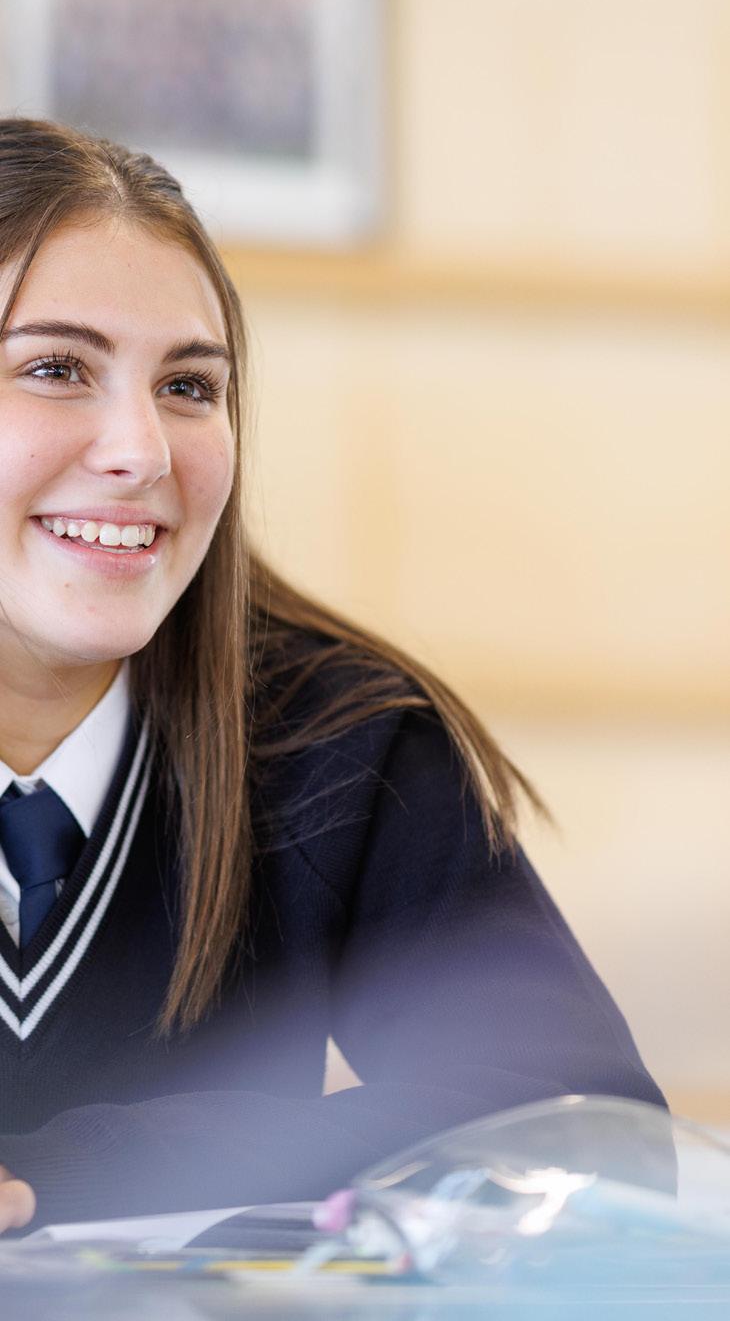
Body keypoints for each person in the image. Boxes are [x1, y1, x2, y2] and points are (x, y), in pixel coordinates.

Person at [0, 117, 665, 1234]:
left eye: (189, 386)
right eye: (55, 368)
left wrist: (79, 1167)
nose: (142, 451)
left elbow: (584, 1123)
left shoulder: (333, 740)